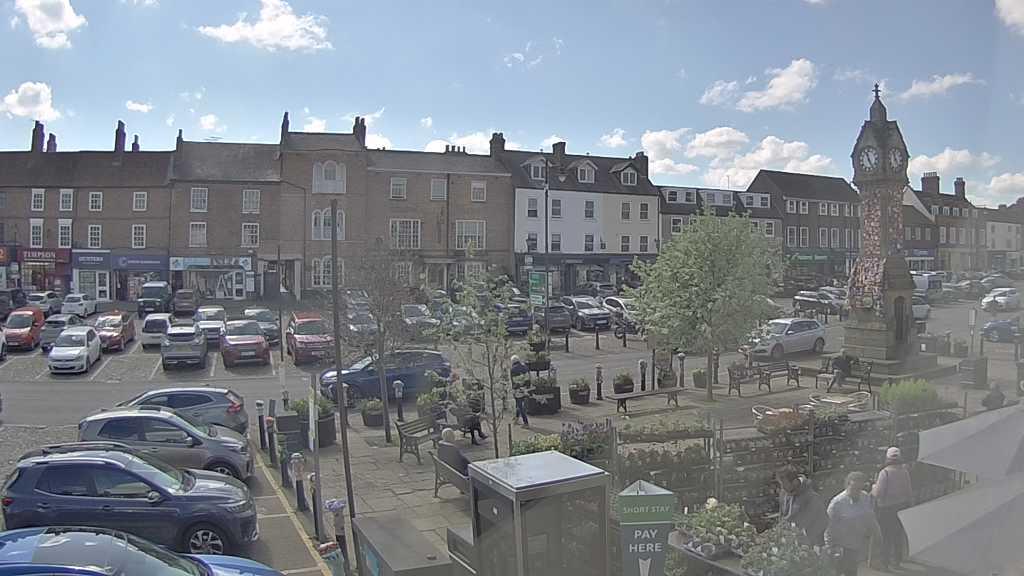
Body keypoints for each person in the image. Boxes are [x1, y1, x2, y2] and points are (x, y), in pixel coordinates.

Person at [826, 472, 881, 576]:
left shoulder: (865, 498)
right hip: (840, 546)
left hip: (856, 544)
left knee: (852, 572)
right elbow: (829, 527)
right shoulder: (837, 503)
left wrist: (877, 533)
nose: (856, 492)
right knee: (838, 572)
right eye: (854, 488)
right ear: (847, 485)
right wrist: (830, 548)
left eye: (859, 489)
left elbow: (870, 517)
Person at [871, 447, 912, 570]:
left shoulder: (885, 472)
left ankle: (885, 563)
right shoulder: (905, 471)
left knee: (886, 536)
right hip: (901, 507)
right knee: (897, 535)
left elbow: (878, 493)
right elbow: (909, 491)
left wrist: (873, 487)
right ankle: (897, 561)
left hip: (886, 509)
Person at [776, 467, 828, 546]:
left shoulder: (811, 497)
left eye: (784, 484)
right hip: (789, 540)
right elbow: (782, 515)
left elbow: (820, 522)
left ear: (795, 482)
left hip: (809, 542)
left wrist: (807, 539)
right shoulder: (784, 493)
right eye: (781, 484)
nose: (782, 487)